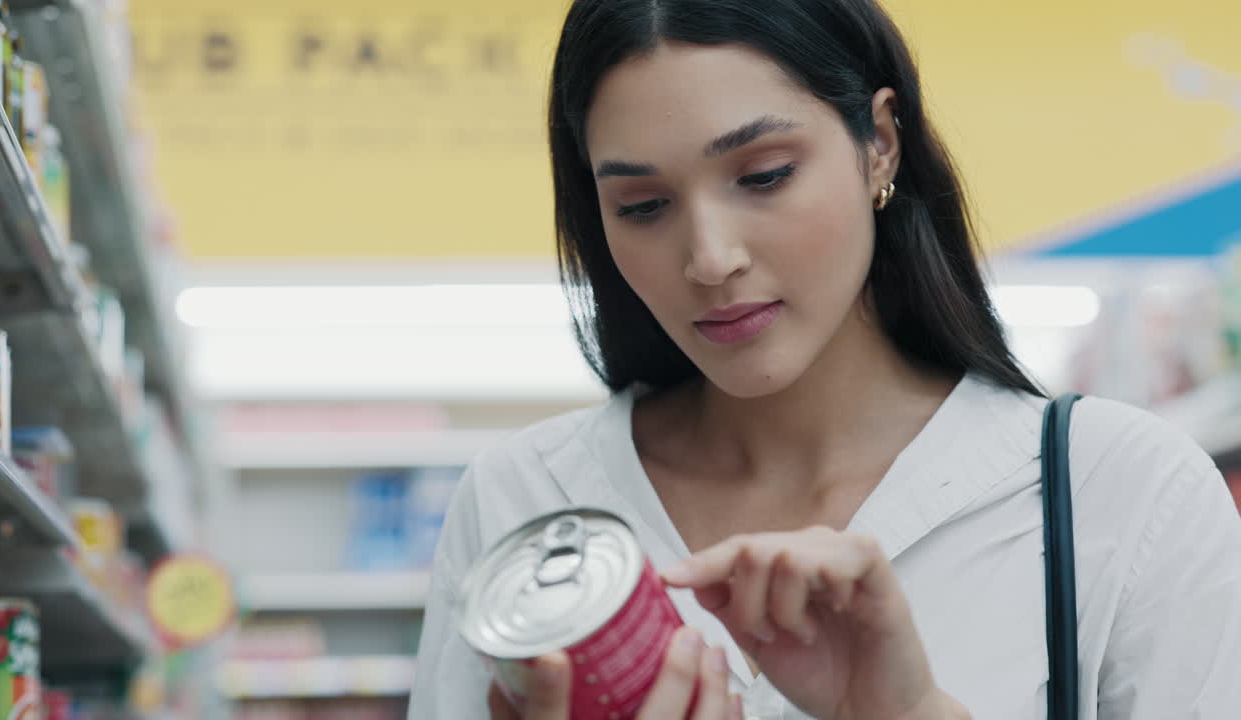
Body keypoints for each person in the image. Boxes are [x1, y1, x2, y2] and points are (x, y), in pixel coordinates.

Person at [407, 0, 1241, 718]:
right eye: (644, 205)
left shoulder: (1120, 494)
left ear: (879, 142)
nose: (709, 257)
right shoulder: (526, 509)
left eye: (765, 175)